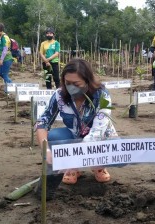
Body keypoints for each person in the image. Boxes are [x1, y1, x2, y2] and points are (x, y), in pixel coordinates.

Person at [35, 58, 117, 200]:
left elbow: (98, 129)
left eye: (76, 84)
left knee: (107, 147)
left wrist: (75, 155)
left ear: (87, 81)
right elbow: (43, 122)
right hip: (75, 135)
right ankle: (73, 167)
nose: (71, 87)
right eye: (67, 83)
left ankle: (97, 165)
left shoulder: (101, 94)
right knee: (54, 138)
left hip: (100, 138)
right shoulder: (60, 95)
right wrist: (46, 150)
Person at [0, 23, 13, 92]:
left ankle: (8, 90)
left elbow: (5, 48)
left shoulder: (4, 37)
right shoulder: (0, 37)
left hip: (7, 58)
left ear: (1, 30)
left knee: (4, 74)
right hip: (2, 58)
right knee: (0, 73)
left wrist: (1, 59)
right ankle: (11, 85)